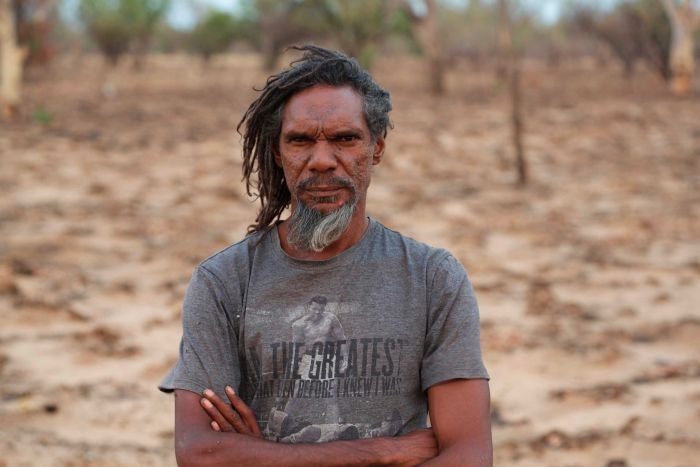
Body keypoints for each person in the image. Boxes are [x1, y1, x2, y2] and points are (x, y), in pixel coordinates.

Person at [159, 45, 492, 466]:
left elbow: (468, 454)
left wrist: (265, 456)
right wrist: (382, 452)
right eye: (300, 141)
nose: (321, 161)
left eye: (345, 139)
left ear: (377, 148)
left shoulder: (432, 278)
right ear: (278, 152)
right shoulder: (224, 281)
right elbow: (200, 452)